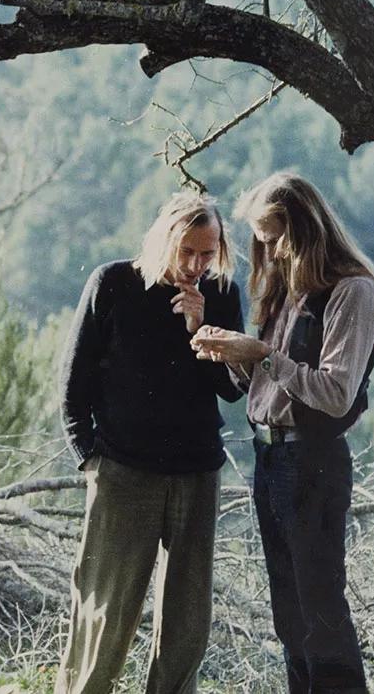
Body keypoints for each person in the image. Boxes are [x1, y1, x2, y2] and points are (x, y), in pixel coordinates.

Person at [190, 172, 374, 694]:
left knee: (320, 610)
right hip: (272, 461)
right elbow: (265, 386)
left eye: (276, 238)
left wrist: (261, 355)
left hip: (314, 463)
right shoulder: (286, 290)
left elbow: (334, 394)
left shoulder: (353, 292)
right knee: (289, 611)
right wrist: (233, 354)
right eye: (263, 240)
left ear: (304, 228)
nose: (271, 253)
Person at [55, 191, 244, 694]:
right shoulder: (113, 283)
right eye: (187, 251)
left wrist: (201, 329)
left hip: (196, 474)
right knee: (105, 610)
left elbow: (232, 389)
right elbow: (73, 383)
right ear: (165, 238)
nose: (196, 264)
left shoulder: (221, 294)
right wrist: (90, 459)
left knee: (187, 624)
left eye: (207, 253)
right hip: (123, 472)